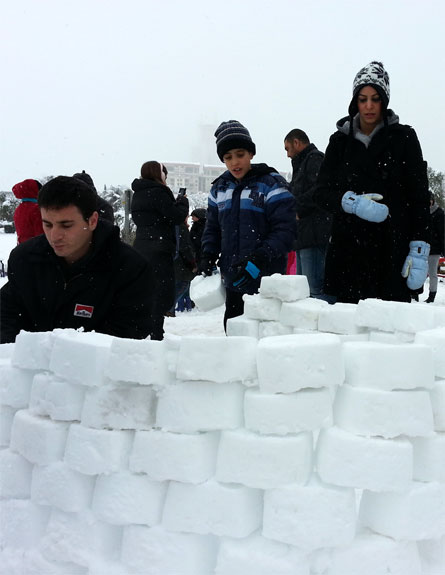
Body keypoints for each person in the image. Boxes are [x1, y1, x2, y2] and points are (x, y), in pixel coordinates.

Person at [314, 61, 430, 304]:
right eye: (363, 98)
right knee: (348, 335)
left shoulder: (404, 138)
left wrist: (419, 248)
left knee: (389, 333)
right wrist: (350, 203)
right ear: (354, 101)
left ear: (384, 101)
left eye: (375, 99)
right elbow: (321, 193)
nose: (368, 106)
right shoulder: (339, 142)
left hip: (391, 251)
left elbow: (419, 196)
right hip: (348, 254)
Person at [0, 176, 153, 343]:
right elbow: (7, 316)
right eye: (47, 224)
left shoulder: (130, 269)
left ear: (92, 221)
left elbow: (125, 340)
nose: (54, 236)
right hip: (29, 366)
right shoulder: (25, 260)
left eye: (66, 225)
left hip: (95, 368)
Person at [200, 120, 296, 329]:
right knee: (235, 335)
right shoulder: (219, 189)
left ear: (251, 153)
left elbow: (286, 230)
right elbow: (213, 228)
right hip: (235, 278)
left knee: (265, 338)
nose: (235, 162)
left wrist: (259, 258)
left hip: (267, 281)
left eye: (240, 154)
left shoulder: (271, 184)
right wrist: (208, 254)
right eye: (228, 157)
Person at [131, 161, 189, 339]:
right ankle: (156, 333)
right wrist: (183, 202)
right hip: (159, 249)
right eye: (164, 173)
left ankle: (144, 330)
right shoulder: (158, 192)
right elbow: (175, 216)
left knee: (145, 292)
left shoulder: (138, 193)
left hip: (141, 248)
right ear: (158, 174)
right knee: (161, 294)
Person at [284, 129, 331, 297]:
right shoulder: (302, 163)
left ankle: (320, 323)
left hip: (315, 235)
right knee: (303, 291)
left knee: (314, 290)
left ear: (297, 142)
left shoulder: (314, 159)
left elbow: (319, 191)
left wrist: (297, 208)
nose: (288, 155)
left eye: (287, 148)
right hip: (304, 235)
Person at [167, 217, 197, 316]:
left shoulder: (171, 225)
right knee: (183, 285)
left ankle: (170, 308)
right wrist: (192, 262)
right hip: (181, 263)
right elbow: (185, 247)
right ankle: (168, 308)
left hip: (174, 262)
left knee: (179, 285)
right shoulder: (180, 227)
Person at [425, 191, 444, 303]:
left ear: (433, 200)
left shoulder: (439, 213)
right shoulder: (423, 212)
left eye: (430, 200)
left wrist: (443, 248)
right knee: (420, 271)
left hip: (435, 248)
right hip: (422, 247)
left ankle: (432, 295)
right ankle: (416, 293)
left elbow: (442, 233)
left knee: (432, 273)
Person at [11, 179, 44, 244]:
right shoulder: (36, 209)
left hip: (22, 247)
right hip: (36, 248)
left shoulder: (19, 209)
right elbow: (42, 235)